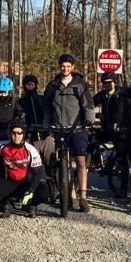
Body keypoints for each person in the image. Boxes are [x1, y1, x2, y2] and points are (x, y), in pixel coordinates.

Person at [43, 53, 94, 212]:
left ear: (73, 67)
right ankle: (70, 195)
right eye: (63, 66)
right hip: (59, 129)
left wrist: (89, 120)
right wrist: (47, 123)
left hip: (77, 128)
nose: (65, 68)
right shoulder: (53, 85)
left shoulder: (79, 84)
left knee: (80, 163)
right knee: (62, 161)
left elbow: (88, 104)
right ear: (60, 66)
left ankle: (83, 197)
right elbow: (47, 106)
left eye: (68, 66)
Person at [0, 120, 51, 218]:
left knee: (44, 192)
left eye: (19, 133)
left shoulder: (30, 149)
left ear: (23, 134)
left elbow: (39, 172)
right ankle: (7, 204)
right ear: (10, 134)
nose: (16, 136)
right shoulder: (3, 146)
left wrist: (31, 191)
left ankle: (32, 205)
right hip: (12, 182)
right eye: (14, 133)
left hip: (27, 183)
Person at [18, 74, 48, 149]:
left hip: (43, 129)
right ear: (25, 85)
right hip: (29, 131)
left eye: (32, 84)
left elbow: (47, 112)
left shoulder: (42, 99)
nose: (30, 86)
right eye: (28, 84)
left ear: (35, 85)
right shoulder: (21, 101)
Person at [93, 72, 120, 142]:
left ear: (115, 82)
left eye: (109, 82)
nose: (107, 84)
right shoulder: (101, 95)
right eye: (104, 83)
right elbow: (89, 105)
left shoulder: (122, 93)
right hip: (105, 128)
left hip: (120, 130)